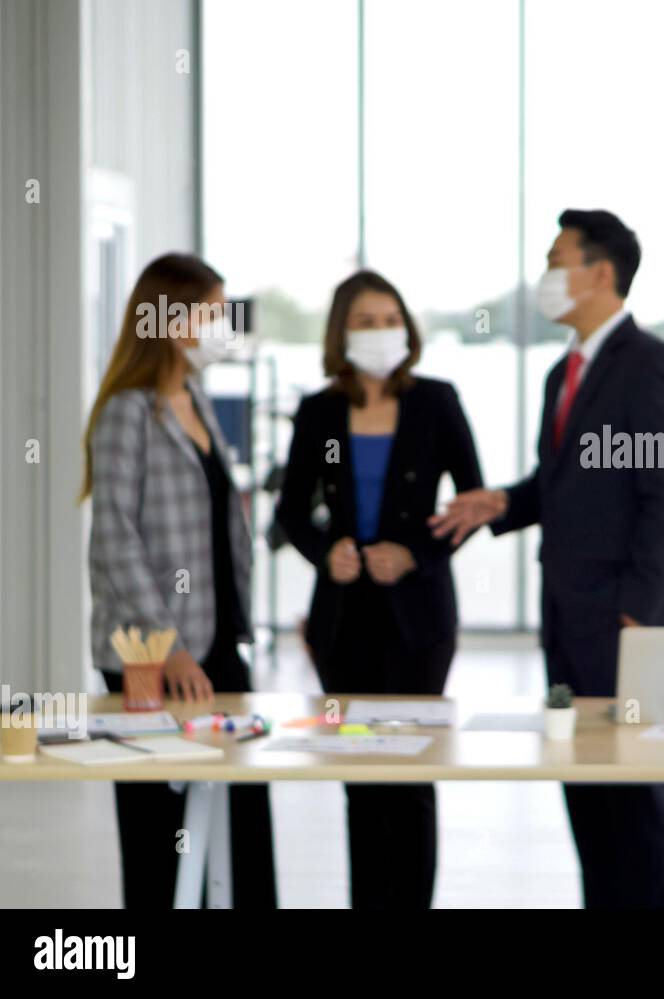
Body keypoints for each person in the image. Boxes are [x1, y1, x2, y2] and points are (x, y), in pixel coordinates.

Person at [429, 209, 664, 908]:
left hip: (625, 627)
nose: (546, 277)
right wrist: (504, 504)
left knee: (639, 809)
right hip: (569, 625)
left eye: (556, 260)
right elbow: (565, 486)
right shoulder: (562, 373)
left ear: (599, 272)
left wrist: (636, 612)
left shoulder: (651, 366)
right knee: (590, 805)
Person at [275, 269, 483, 909]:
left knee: (412, 775)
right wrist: (324, 551)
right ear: (341, 332)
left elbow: (471, 503)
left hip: (419, 619)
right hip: (342, 621)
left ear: (407, 327)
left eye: (388, 317)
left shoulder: (437, 402)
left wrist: (416, 554)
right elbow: (289, 513)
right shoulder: (319, 412)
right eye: (363, 321)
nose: (379, 331)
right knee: (359, 775)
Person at [83, 252, 277, 908]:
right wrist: (168, 644)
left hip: (219, 645)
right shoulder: (126, 410)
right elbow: (114, 536)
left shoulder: (194, 398)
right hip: (152, 657)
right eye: (211, 312)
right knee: (158, 839)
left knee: (244, 828)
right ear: (169, 318)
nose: (222, 325)